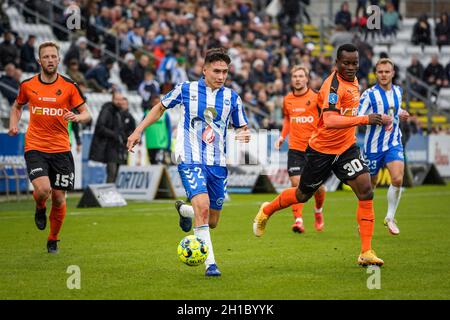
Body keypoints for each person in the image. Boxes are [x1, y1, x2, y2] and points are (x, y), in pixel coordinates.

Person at [253, 44, 386, 267]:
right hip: (321, 151)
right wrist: (365, 119)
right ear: (337, 63)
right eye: (346, 63)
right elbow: (332, 120)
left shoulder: (353, 81)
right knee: (302, 195)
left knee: (365, 190)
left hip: (346, 148)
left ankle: (366, 251)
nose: (351, 67)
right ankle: (267, 210)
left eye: (355, 63)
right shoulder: (333, 87)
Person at [127, 48, 251, 277]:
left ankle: (184, 211)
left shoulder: (232, 97)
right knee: (202, 208)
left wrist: (244, 133)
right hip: (189, 158)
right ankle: (210, 263)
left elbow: (241, 125)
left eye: (225, 71)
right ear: (204, 70)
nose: (221, 76)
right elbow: (159, 108)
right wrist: (137, 132)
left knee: (212, 220)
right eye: (216, 71)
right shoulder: (186, 89)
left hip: (217, 163)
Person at [8, 41, 91, 253]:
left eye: (53, 56)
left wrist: (78, 117)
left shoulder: (69, 86)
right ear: (39, 60)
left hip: (61, 149)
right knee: (44, 189)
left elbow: (87, 113)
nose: (50, 60)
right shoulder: (28, 85)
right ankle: (39, 206)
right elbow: (17, 106)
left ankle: (53, 239)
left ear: (59, 59)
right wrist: (13, 124)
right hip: (35, 146)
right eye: (46, 57)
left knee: (59, 197)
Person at [358, 58, 410, 235]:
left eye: (387, 71)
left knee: (397, 178)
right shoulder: (368, 94)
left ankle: (390, 217)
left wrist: (401, 113)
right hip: (373, 147)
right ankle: (364, 219)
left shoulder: (398, 91)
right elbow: (358, 116)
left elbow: (395, 110)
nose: (384, 75)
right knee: (369, 186)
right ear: (376, 73)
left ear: (393, 73)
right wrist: (378, 117)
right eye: (380, 71)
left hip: (393, 142)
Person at [274, 65, 326, 233]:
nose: (297, 79)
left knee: (318, 188)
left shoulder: (317, 97)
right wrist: (282, 136)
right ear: (292, 79)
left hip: (314, 150)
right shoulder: (287, 99)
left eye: (300, 76)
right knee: (296, 185)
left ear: (306, 79)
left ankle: (318, 211)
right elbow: (288, 119)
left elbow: (326, 119)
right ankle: (298, 220)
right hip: (295, 149)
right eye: (294, 76)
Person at [88, 91, 129, 183]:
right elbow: (100, 127)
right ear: (112, 99)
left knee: (115, 173)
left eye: (121, 99)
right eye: (117, 99)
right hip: (109, 147)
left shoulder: (119, 112)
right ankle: (109, 194)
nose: (119, 101)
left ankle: (111, 193)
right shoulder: (107, 110)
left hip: (116, 146)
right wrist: (115, 135)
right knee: (112, 172)